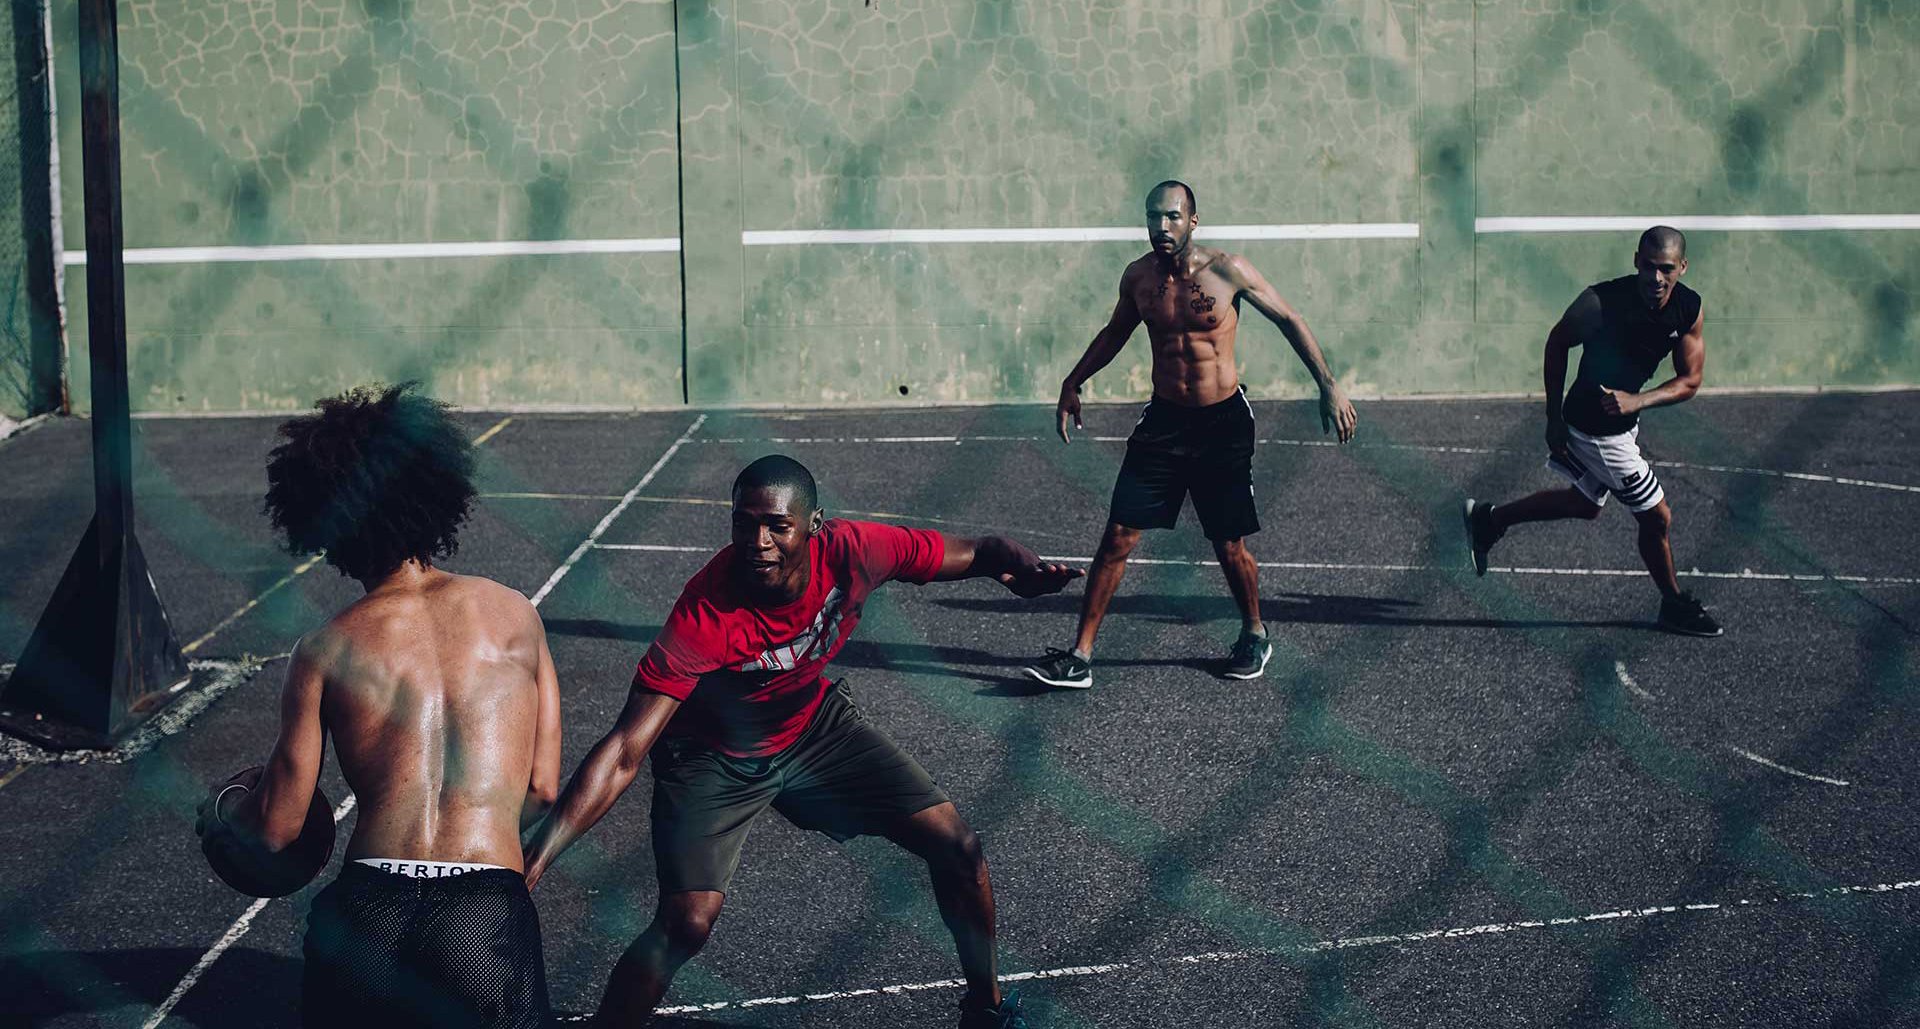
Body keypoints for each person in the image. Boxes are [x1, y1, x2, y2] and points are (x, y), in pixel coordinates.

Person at [521, 455, 1079, 1028]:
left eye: (777, 526)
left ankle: (986, 1011)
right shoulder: (706, 612)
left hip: (812, 729)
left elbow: (971, 552)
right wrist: (536, 860)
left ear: (814, 525)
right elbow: (624, 750)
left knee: (958, 847)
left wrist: (1011, 564)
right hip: (714, 759)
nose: (757, 542)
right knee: (687, 922)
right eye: (744, 523)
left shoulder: (856, 550)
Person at [197, 382, 562, 1027]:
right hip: (483, 909)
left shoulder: (325, 649)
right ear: (435, 496)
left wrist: (225, 813)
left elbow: (277, 828)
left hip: (371, 909)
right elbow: (541, 788)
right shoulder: (515, 616)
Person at [1023, 179, 1358, 690]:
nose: (1161, 226)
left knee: (1228, 544)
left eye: (1172, 217)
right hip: (1164, 422)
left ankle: (1254, 632)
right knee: (1118, 535)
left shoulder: (1228, 271)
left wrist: (1328, 385)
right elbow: (1115, 332)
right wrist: (1074, 381)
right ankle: (1080, 655)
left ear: (1193, 221)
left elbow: (1289, 318)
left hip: (1222, 423)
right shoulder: (1138, 278)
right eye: (1153, 217)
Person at [1462, 225, 1722, 636]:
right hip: (1594, 428)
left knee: (1585, 504)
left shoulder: (1689, 309)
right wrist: (1552, 417)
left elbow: (1690, 380)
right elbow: (1556, 342)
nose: (1656, 278)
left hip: (1625, 420)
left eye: (1666, 269)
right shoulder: (1601, 302)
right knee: (1657, 516)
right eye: (1648, 266)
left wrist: (1638, 400)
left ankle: (1489, 520)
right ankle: (1674, 604)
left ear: (1682, 267)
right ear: (1636, 261)